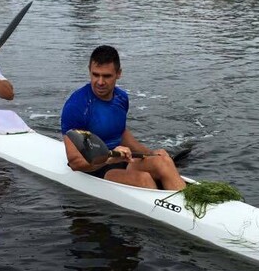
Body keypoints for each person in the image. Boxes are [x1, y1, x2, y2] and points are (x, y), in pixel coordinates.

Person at [61, 45, 186, 191]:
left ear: (118, 73)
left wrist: (150, 153)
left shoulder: (121, 98)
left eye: (107, 76)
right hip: (94, 169)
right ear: (90, 71)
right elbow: (75, 162)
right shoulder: (76, 106)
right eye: (95, 75)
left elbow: (121, 132)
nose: (100, 82)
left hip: (121, 158)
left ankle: (187, 205)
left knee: (164, 161)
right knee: (143, 179)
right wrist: (108, 158)